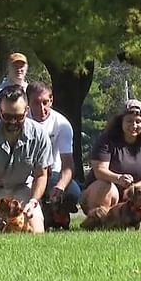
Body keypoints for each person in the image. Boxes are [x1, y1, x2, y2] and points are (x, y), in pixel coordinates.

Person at [0, 85, 51, 234]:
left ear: (27, 111)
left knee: (37, 233)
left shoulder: (39, 135)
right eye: (7, 117)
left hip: (23, 191)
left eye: (18, 117)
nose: (13, 122)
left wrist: (33, 201)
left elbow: (41, 175)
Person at [26, 81, 82, 222]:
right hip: (26, 173)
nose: (42, 108)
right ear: (28, 102)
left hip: (53, 174)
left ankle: (57, 213)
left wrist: (61, 186)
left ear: (51, 100)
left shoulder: (62, 124)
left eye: (45, 102)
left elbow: (68, 163)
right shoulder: (22, 121)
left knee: (73, 192)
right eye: (36, 103)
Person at [0, 52, 29, 119]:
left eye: (21, 66)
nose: (19, 69)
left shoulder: (30, 90)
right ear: (8, 68)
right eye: (15, 66)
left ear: (26, 68)